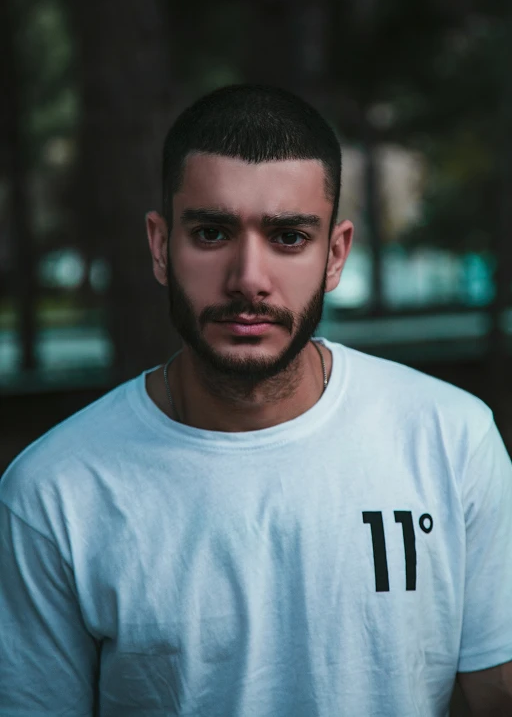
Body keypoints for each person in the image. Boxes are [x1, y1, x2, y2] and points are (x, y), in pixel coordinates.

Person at [1, 84, 511, 717]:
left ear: (336, 254)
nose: (248, 279)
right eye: (212, 233)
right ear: (161, 247)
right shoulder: (53, 493)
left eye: (289, 237)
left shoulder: (450, 439)